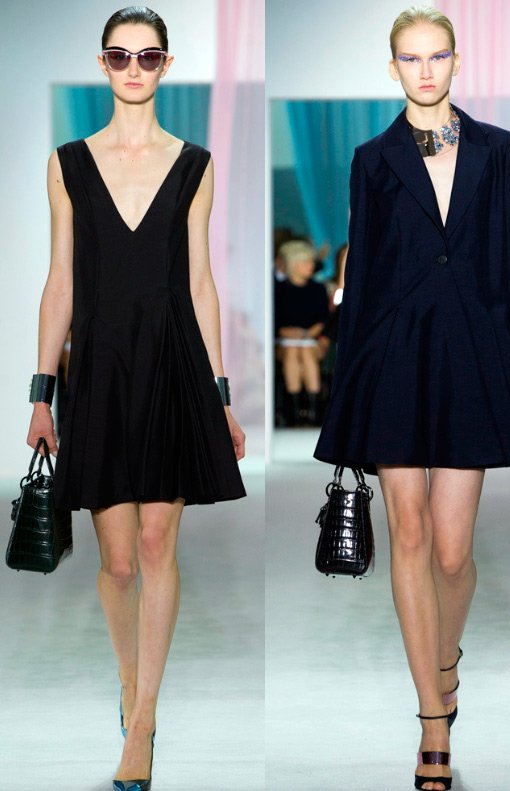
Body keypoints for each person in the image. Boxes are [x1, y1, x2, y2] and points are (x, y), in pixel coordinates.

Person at [313, 6, 510, 789]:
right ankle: (431, 722)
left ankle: (445, 661)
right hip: (393, 353)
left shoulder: (495, 147)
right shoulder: (372, 158)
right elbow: (363, 272)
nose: (425, 70)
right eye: (411, 58)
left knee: (453, 551)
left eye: (437, 56)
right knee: (410, 536)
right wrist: (348, 388)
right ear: (393, 68)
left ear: (456, 60)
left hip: (473, 352)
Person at [26, 7, 246, 789]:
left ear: (166, 65)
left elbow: (200, 282)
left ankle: (144, 719)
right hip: (100, 370)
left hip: (173, 365)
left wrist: (221, 393)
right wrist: (41, 392)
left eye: (147, 56)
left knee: (157, 545)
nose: (133, 68)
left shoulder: (194, 163)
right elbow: (60, 282)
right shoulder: (67, 164)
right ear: (102, 63)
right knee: (117, 563)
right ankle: (129, 681)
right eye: (120, 56)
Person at [274, 239, 330, 425]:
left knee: (304, 352)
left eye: (311, 261)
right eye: (306, 262)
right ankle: (299, 411)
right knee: (292, 352)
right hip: (285, 344)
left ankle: (309, 411)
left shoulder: (318, 289)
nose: (311, 265)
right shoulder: (278, 290)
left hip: (310, 342)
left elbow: (323, 319)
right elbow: (275, 321)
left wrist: (311, 332)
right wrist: (284, 332)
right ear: (294, 264)